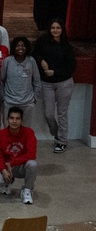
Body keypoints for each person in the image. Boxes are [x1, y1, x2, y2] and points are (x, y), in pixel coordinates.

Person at [33, 18, 75, 153]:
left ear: (62, 30)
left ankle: (62, 141)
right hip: (47, 84)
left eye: (58, 28)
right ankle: (56, 134)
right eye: (53, 28)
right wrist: (42, 61)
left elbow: (71, 67)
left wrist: (55, 72)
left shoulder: (67, 47)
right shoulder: (42, 42)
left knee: (62, 113)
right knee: (49, 114)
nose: (55, 30)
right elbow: (35, 53)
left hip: (64, 83)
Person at [0, 107, 38, 204]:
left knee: (32, 164)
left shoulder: (29, 132)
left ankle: (27, 190)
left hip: (21, 166)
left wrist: (12, 163)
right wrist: (4, 170)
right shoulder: (0, 134)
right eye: (12, 118)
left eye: (17, 118)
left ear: (22, 121)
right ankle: (8, 182)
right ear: (7, 119)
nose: (14, 121)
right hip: (6, 166)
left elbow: (31, 154)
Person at [0, 37, 41, 126]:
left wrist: (34, 98)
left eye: (23, 45)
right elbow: (1, 80)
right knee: (8, 129)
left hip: (27, 102)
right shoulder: (7, 61)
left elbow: (37, 81)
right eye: (18, 46)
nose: (20, 48)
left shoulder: (31, 61)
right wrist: (3, 98)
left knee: (25, 130)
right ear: (14, 47)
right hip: (9, 102)